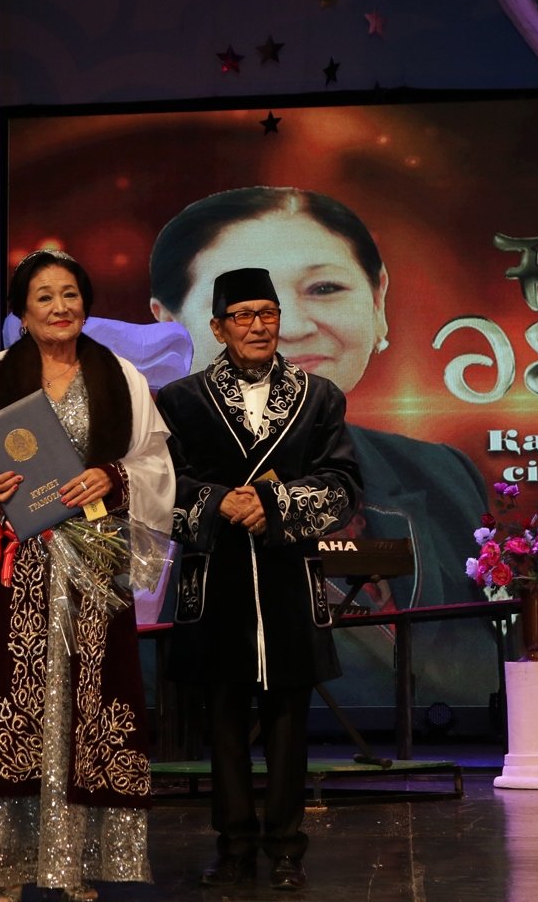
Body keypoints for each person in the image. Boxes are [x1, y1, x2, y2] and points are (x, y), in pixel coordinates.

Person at [149, 186, 492, 708]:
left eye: (325, 288)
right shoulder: (139, 482)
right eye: (243, 307)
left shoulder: (442, 473)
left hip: (440, 752)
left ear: (378, 300)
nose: (285, 327)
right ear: (169, 325)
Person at [0, 249, 175, 902]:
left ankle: (73, 862)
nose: (60, 307)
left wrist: (113, 476)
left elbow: (156, 464)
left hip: (94, 565)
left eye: (70, 294)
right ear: (21, 311)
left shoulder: (121, 377)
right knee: (7, 701)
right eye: (44, 296)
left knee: (91, 702)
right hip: (13, 568)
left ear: (86, 303)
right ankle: (4, 862)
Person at [155, 267, 362, 892]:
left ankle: (287, 849)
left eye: (266, 314)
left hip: (287, 580)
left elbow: (344, 486)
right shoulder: (182, 400)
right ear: (218, 328)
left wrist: (271, 506)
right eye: (242, 316)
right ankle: (234, 846)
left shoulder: (319, 397)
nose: (258, 326)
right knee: (222, 721)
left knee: (289, 723)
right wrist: (219, 501)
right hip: (216, 580)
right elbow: (159, 489)